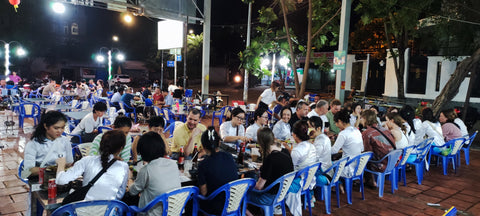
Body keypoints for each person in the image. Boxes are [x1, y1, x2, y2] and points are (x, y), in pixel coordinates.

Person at [56, 130, 129, 201]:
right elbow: (120, 194)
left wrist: (61, 164)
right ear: (121, 149)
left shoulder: (87, 160)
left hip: (82, 210)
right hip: (109, 211)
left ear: (100, 144)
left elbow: (61, 180)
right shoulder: (124, 166)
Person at [127, 132, 181, 215]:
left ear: (143, 152)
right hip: (174, 212)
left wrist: (130, 179)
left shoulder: (146, 170)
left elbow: (133, 191)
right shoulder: (173, 164)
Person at [246, 128, 294, 216]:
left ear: (261, 143)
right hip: (282, 194)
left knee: (241, 195)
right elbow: (278, 169)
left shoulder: (270, 159)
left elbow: (259, 187)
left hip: (269, 198)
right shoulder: (285, 152)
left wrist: (247, 186)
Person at [197, 127, 238, 215]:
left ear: (203, 146)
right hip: (233, 202)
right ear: (219, 143)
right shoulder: (229, 156)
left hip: (216, 207)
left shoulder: (203, 165)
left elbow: (203, 193)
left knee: (192, 200)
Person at [22, 111, 73, 178]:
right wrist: (51, 169)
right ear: (46, 126)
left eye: (62, 127)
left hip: (60, 176)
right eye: (56, 128)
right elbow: (28, 171)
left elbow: (69, 162)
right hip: (41, 178)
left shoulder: (65, 141)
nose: (60, 131)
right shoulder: (33, 144)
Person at [286, 120, 318, 216]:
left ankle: (277, 207)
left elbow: (291, 170)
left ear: (294, 135)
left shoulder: (297, 150)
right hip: (310, 179)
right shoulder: (311, 146)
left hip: (300, 181)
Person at [361, 110, 395, 186]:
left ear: (365, 119)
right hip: (393, 161)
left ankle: (371, 182)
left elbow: (367, 152)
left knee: (363, 159)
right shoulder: (385, 130)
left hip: (382, 164)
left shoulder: (367, 133)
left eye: (361, 118)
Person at [331, 109, 363, 177]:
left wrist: (323, 149)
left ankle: (338, 184)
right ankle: (341, 185)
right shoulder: (357, 131)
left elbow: (334, 150)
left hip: (347, 168)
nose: (336, 125)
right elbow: (361, 148)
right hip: (358, 167)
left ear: (339, 121)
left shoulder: (343, 134)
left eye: (335, 123)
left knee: (327, 166)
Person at [308, 116, 332, 187]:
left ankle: (311, 196)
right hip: (327, 169)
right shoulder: (323, 137)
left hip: (324, 174)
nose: (308, 130)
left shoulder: (320, 141)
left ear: (318, 128)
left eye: (310, 127)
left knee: (303, 177)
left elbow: (313, 159)